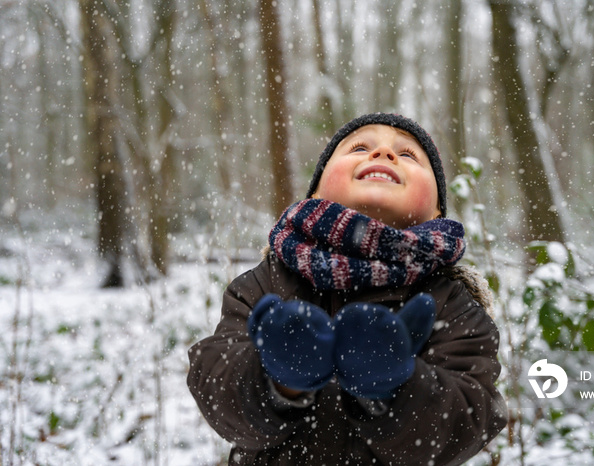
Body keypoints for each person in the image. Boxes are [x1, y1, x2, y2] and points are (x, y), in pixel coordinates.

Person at [187, 113, 507, 465]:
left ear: (436, 210)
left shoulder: (452, 302)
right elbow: (217, 390)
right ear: (317, 192)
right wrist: (276, 381)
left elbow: (470, 420)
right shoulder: (268, 283)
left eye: (409, 154)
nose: (384, 153)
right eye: (359, 147)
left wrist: (394, 388)